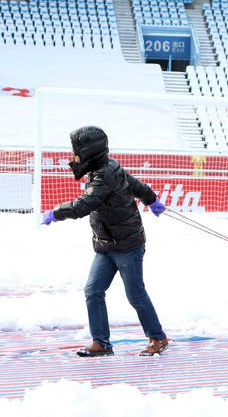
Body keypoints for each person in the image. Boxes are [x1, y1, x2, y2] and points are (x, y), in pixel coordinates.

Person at [41, 126, 169, 357]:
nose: (74, 156)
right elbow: (136, 185)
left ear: (89, 152)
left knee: (135, 294)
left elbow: (84, 205)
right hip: (105, 244)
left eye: (76, 151)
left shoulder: (104, 174)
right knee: (93, 290)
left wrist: (55, 213)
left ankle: (158, 338)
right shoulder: (104, 168)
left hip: (127, 244)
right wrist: (151, 199)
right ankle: (101, 343)